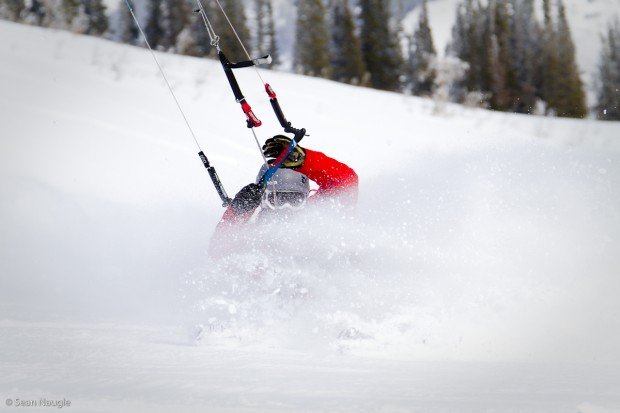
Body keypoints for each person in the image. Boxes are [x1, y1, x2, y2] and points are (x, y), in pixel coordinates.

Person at [209, 135, 358, 256]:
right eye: (277, 199)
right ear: (263, 199)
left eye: (294, 199)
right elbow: (218, 251)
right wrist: (237, 212)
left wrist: (305, 161)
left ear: (305, 197)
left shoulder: (317, 220)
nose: (286, 208)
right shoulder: (250, 237)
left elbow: (346, 182)